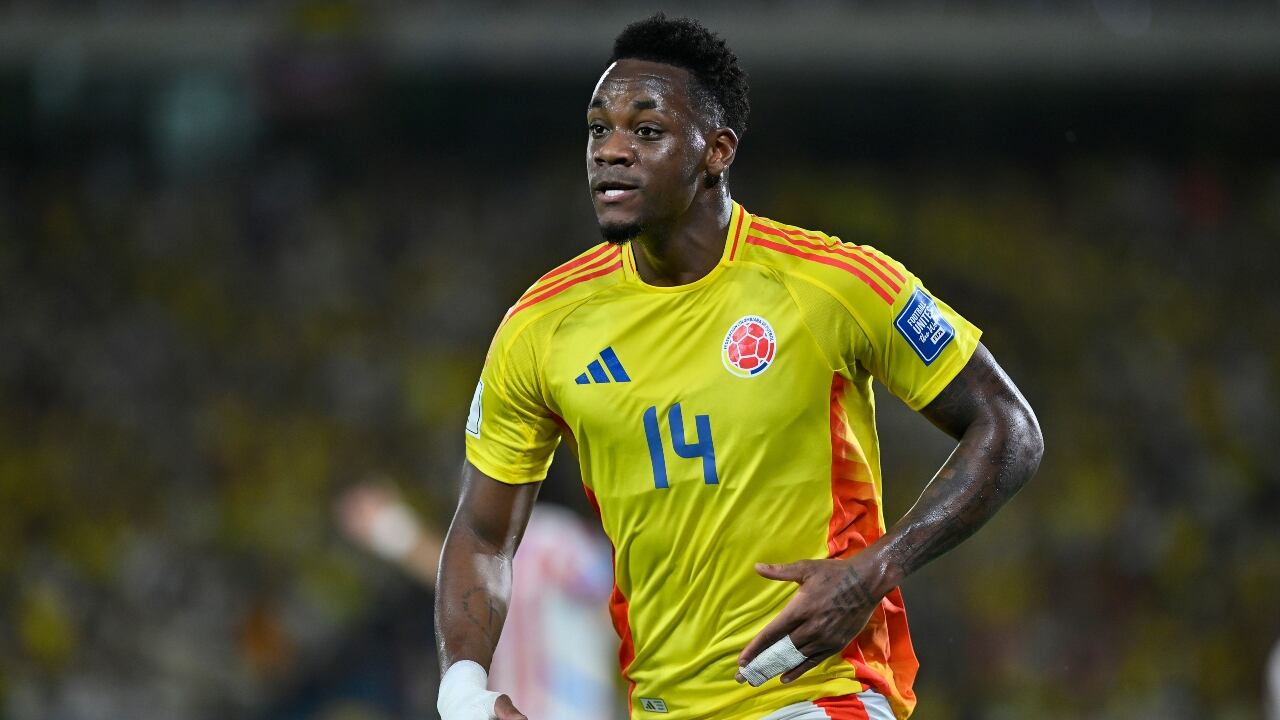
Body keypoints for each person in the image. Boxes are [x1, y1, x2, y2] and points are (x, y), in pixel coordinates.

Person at [434, 13, 1043, 720]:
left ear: (716, 151)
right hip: (663, 706)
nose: (612, 152)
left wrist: (875, 569)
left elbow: (1008, 426)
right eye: (600, 129)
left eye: (647, 131)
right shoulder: (541, 326)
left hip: (820, 692)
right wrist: (465, 696)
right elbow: (482, 530)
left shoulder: (831, 284)